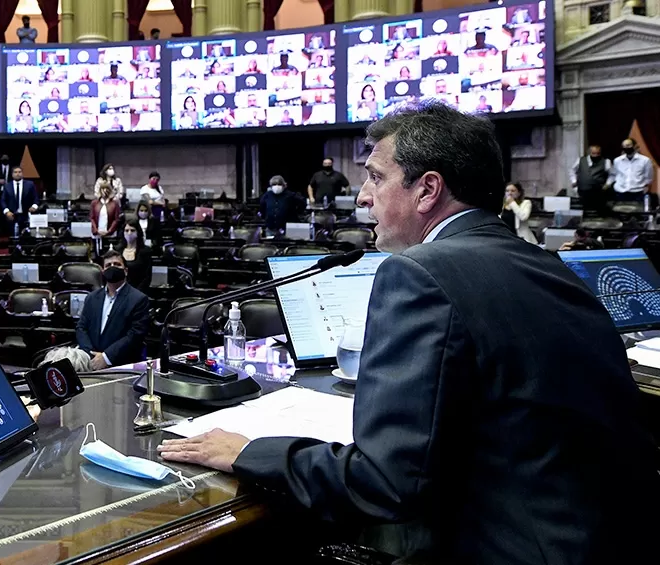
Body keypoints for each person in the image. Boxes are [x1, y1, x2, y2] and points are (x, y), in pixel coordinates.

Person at [158, 101, 660, 565]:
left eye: (376, 177)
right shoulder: (549, 265)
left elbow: (385, 483)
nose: (363, 195)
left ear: (428, 189)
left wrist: (250, 451)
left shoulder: (419, 272)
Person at [75, 250, 150, 369]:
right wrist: (91, 355)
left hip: (122, 366)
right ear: (103, 271)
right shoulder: (92, 298)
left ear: (125, 271)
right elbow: (81, 327)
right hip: (92, 362)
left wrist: (106, 357)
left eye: (117, 264)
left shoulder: (139, 299)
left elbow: (135, 335)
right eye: (108, 265)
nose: (112, 267)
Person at [607, 138, 654, 203]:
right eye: (624, 146)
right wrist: (608, 184)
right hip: (620, 192)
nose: (626, 148)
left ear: (634, 146)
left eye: (628, 145)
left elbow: (648, 177)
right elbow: (614, 174)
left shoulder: (645, 160)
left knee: (638, 209)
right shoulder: (617, 160)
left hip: (638, 193)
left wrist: (646, 188)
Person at [570, 145, 611, 215]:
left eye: (598, 153)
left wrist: (608, 183)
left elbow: (612, 174)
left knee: (599, 213)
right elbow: (572, 170)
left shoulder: (606, 161)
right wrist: (574, 181)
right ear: (589, 153)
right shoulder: (580, 160)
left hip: (599, 193)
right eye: (593, 153)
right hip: (583, 192)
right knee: (584, 212)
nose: (596, 155)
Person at [0, 166, 39, 233]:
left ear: (22, 173)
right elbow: (3, 200)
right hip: (11, 215)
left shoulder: (30, 184)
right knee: (12, 235)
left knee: (25, 235)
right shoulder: (7, 186)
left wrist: (34, 206)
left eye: (19, 172)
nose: (17, 174)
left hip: (25, 215)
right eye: (15, 172)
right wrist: (7, 212)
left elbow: (35, 197)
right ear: (12, 174)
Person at [119, 220, 152, 289]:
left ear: (138, 232)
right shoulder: (118, 250)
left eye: (132, 230)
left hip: (139, 289)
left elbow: (147, 276)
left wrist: (136, 292)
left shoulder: (145, 251)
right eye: (126, 230)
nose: (129, 233)